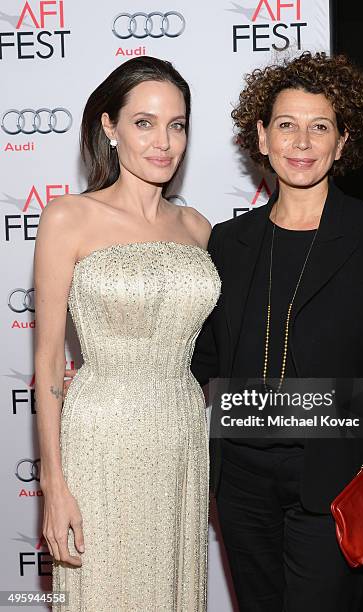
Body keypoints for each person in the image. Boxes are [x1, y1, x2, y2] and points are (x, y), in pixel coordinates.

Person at [190, 52, 363, 611]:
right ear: (262, 138)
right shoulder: (229, 241)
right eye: (286, 125)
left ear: (342, 143)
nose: (301, 142)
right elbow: (204, 357)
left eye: (320, 127)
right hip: (241, 478)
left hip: (334, 473)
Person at [34, 56, 220, 611]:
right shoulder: (68, 217)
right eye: (144, 122)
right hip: (101, 441)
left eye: (177, 124)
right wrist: (53, 486)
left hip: (184, 437)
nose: (163, 141)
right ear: (110, 128)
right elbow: (46, 364)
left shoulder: (198, 228)